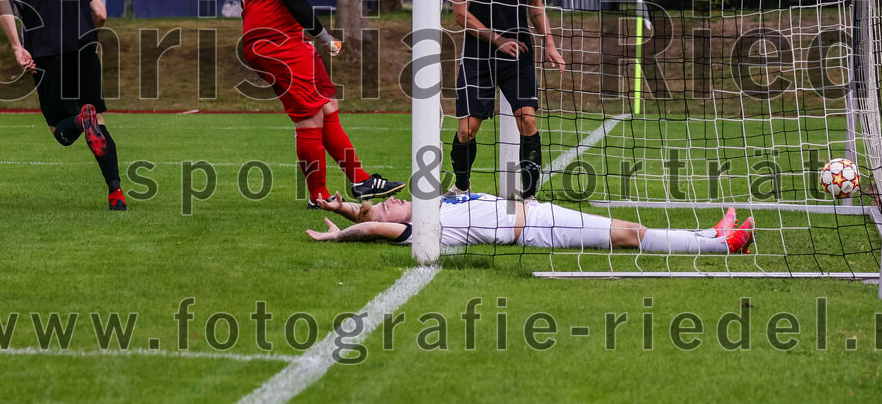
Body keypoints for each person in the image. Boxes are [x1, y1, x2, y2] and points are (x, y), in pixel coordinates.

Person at [232, 0, 403, 204]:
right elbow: (296, 2)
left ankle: (361, 181)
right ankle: (319, 195)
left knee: (326, 106)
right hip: (277, 43)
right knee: (309, 117)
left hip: (277, 40)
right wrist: (326, 39)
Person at [0, 0, 126, 210]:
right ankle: (116, 194)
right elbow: (100, 13)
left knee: (61, 131)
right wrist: (87, 42)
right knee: (98, 119)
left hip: (47, 51)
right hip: (84, 46)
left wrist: (17, 47)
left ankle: (79, 121)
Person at [448, 0, 566, 199]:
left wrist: (549, 43)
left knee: (527, 119)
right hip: (478, 57)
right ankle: (462, 185)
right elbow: (460, 14)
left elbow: (536, 7)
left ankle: (529, 195)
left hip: (519, 56)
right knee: (467, 131)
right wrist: (498, 40)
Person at [306, 192, 756, 254]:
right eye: (388, 206)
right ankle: (725, 246)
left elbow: (363, 214)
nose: (393, 202)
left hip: (538, 212)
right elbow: (370, 227)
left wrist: (342, 207)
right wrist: (340, 233)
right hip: (538, 229)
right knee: (628, 236)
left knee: (628, 225)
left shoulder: (433, 202)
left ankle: (710, 234)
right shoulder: (420, 229)